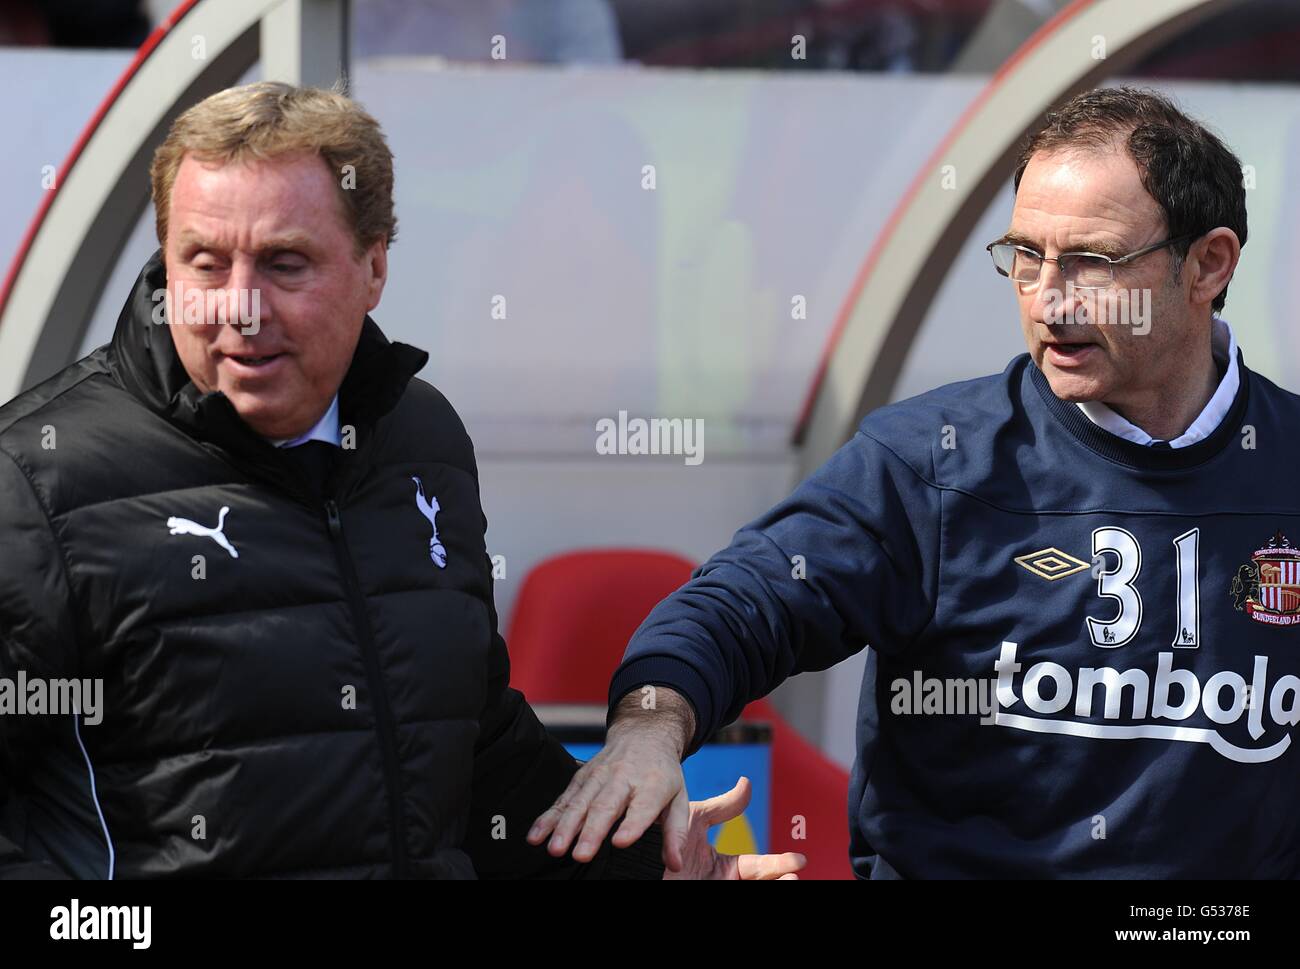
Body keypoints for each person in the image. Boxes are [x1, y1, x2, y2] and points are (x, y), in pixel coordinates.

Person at [0, 81, 802, 880]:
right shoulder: (36, 480)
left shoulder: (423, 439)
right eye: (204, 263)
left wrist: (650, 868)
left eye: (284, 264)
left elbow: (473, 752)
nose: (240, 308)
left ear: (375, 265)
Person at [530, 87, 1300, 878]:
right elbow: (741, 603)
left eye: (1092, 261)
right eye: (1026, 257)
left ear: (1209, 264)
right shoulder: (929, 460)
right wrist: (648, 732)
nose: (1049, 299)